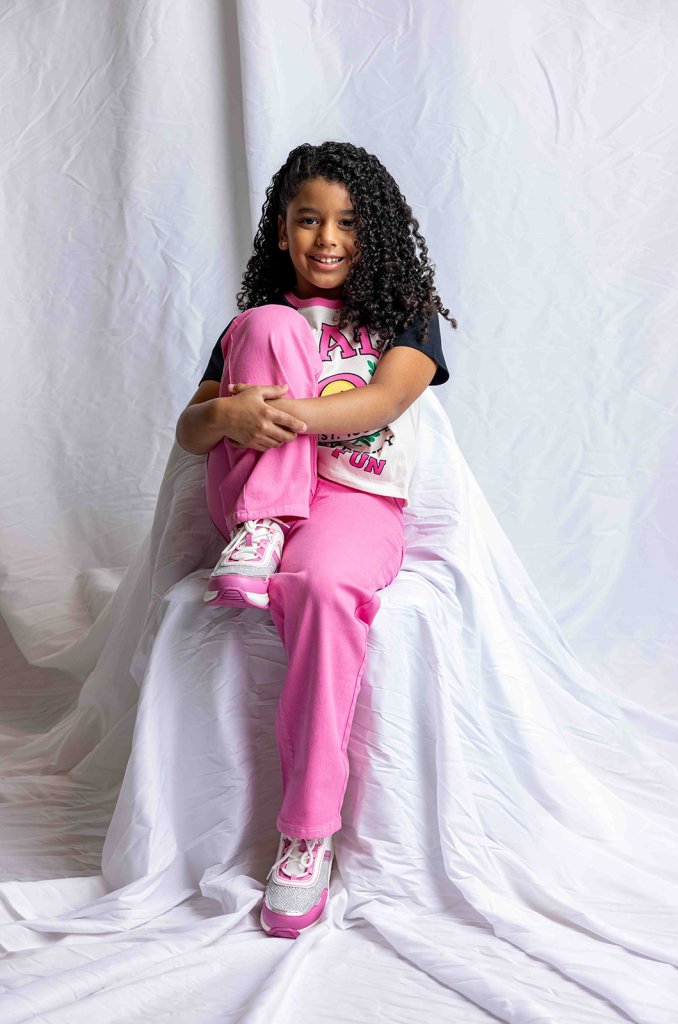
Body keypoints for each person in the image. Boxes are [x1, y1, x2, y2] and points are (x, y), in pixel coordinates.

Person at [175, 141, 457, 939]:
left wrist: (275, 416)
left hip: (353, 499)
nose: (326, 238)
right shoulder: (256, 325)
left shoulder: (402, 314)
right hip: (254, 504)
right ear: (280, 231)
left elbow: (382, 401)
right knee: (267, 321)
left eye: (347, 223)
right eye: (307, 220)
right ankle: (263, 525)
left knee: (329, 588)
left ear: (376, 233)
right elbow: (192, 430)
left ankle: (305, 836)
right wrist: (226, 414)